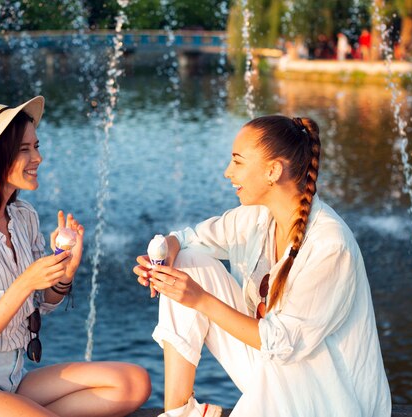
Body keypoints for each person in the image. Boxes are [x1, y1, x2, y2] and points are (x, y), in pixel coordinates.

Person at [133, 115, 391, 417]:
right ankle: (179, 412)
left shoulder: (330, 245)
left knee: (195, 289)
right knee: (188, 263)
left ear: (273, 170)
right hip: (277, 371)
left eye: (238, 162)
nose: (228, 172)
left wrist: (199, 299)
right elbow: (188, 239)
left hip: (330, 398)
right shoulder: (256, 217)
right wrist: (163, 256)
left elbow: (283, 344)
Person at [0, 96, 151, 417]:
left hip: (13, 378)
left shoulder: (23, 216)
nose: (38, 158)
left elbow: (43, 303)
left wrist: (64, 273)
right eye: (25, 149)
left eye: (37, 146)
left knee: (132, 382)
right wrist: (24, 283)